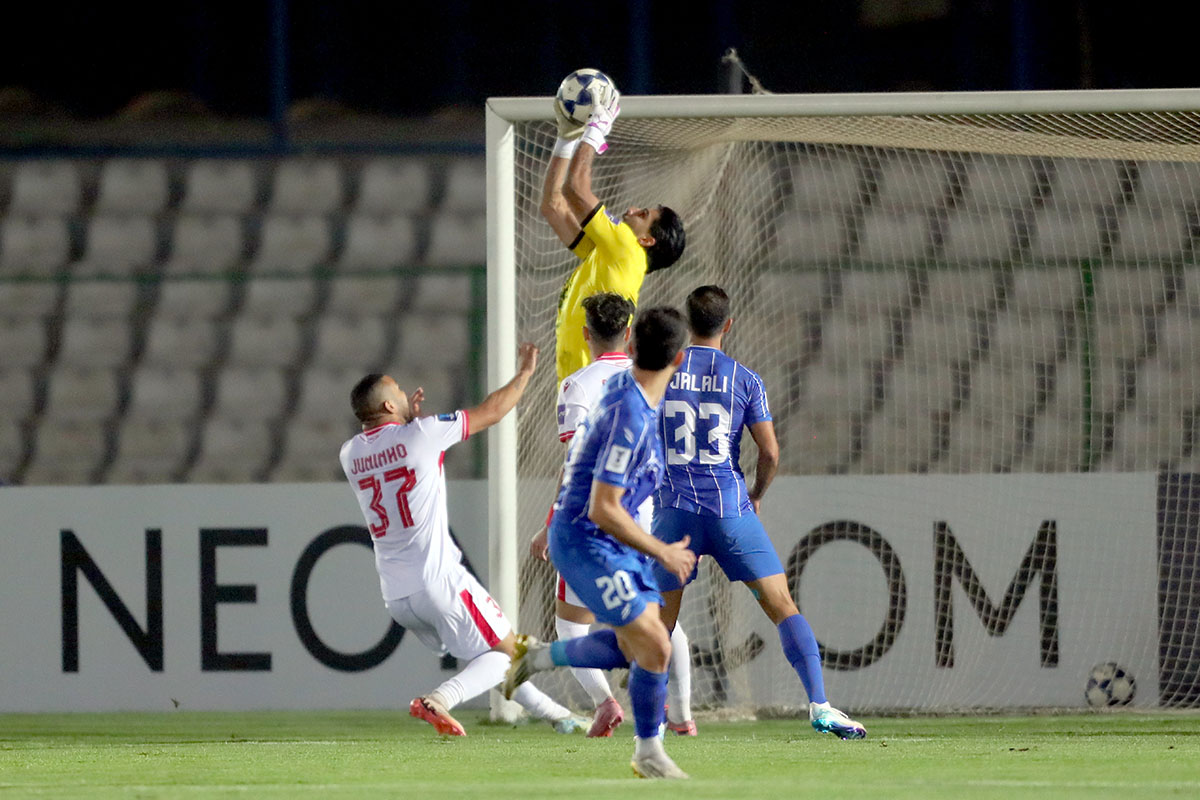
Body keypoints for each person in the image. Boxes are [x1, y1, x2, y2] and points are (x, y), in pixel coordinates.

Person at [339, 344, 587, 737]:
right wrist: (524, 373)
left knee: (493, 659)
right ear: (388, 407)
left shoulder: (350, 454)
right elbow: (493, 410)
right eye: (399, 391)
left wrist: (410, 423)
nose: (406, 394)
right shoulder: (423, 433)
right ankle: (439, 700)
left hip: (397, 596)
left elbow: (393, 452)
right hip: (438, 580)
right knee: (509, 654)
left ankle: (562, 719)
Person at [652, 286, 867, 740]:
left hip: (674, 514)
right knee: (783, 606)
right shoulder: (745, 379)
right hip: (730, 509)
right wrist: (756, 493)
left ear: (689, 324)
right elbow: (769, 452)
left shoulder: (662, 373)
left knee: (659, 624)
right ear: (727, 325)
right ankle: (821, 706)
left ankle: (652, 719)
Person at [505, 307, 697, 780]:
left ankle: (536, 656)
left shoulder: (629, 395)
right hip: (587, 538)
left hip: (614, 538)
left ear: (631, 348)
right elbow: (602, 507)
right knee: (654, 641)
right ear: (680, 359)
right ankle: (649, 752)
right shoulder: (630, 413)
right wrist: (662, 550)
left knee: (649, 645)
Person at [541, 77, 687, 383]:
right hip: (581, 387)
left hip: (592, 391)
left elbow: (575, 188)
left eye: (643, 214)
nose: (631, 210)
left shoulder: (626, 248)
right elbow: (553, 207)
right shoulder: (609, 257)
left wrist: (596, 130)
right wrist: (567, 138)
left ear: (646, 239)